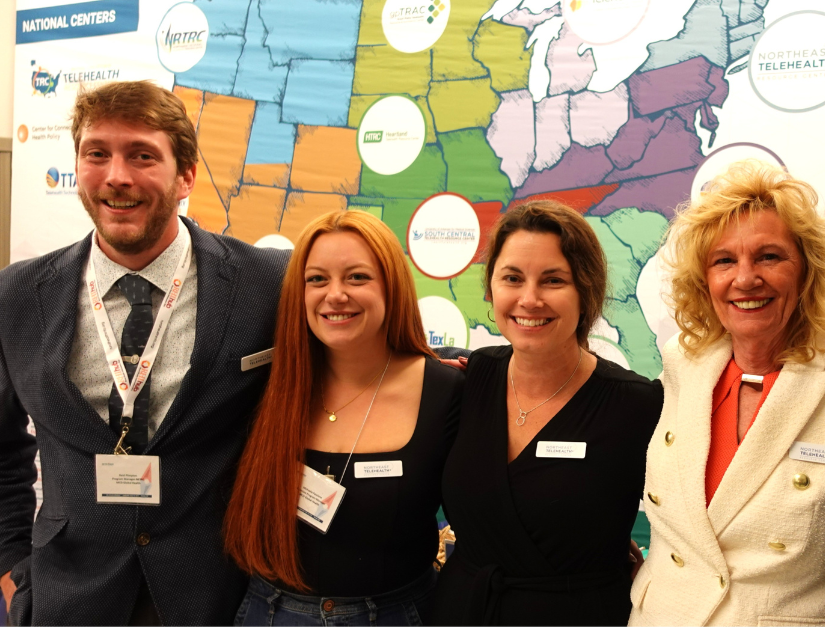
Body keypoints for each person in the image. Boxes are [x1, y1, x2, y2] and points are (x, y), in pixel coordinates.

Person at [0, 81, 289, 625]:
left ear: (186, 176)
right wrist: (14, 570)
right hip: (67, 597)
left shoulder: (267, 283)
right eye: (97, 154)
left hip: (217, 595)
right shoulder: (18, 296)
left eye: (142, 155)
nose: (117, 176)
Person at [627, 160, 825, 626]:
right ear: (703, 280)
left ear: (806, 270)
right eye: (724, 261)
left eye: (769, 256)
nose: (745, 279)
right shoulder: (682, 362)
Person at [223, 210, 463, 625]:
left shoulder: (447, 391)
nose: (335, 294)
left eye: (357, 277)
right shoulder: (266, 382)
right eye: (317, 279)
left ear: (392, 286)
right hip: (271, 612)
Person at [429, 200, 663, 626]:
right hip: (464, 611)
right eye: (512, 278)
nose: (530, 299)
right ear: (491, 288)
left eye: (553, 280)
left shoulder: (636, 405)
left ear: (585, 290)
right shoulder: (463, 383)